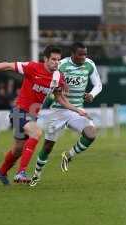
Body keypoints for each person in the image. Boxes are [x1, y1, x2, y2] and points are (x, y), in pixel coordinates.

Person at [0, 45, 87, 185]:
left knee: (18, 150)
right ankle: (21, 173)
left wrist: (77, 110)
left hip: (32, 116)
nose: (56, 62)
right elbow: (8, 65)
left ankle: (1, 172)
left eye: (58, 60)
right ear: (45, 59)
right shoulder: (32, 67)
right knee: (37, 132)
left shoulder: (58, 76)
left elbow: (60, 99)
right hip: (19, 111)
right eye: (53, 59)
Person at [30, 42, 102, 186]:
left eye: (85, 54)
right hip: (58, 110)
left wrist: (92, 95)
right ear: (72, 54)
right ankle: (36, 174)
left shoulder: (89, 65)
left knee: (91, 134)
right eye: (80, 54)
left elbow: (98, 85)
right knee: (48, 146)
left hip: (77, 110)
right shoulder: (61, 65)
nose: (83, 57)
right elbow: (49, 83)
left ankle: (68, 155)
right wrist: (58, 87)